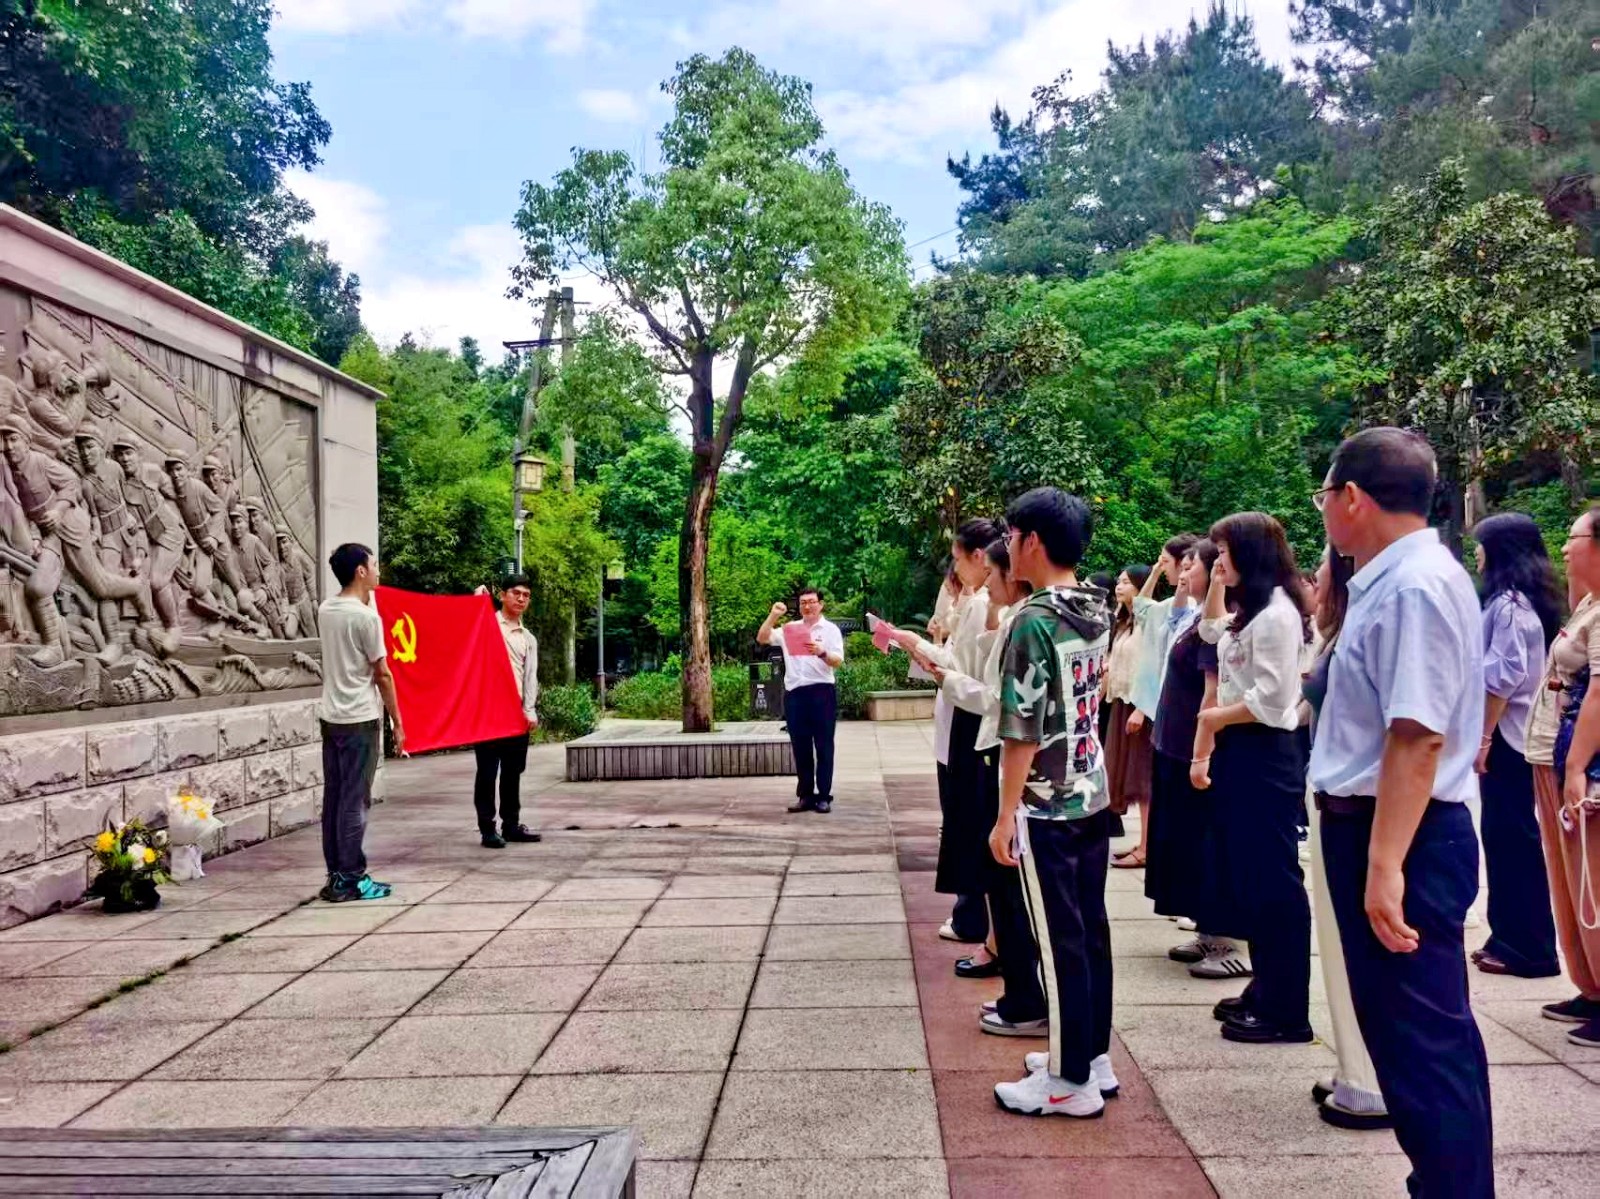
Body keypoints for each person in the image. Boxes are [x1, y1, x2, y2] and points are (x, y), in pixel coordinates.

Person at [1311, 427, 1492, 1198]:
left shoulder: (1414, 585)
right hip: (1392, 828)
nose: (1323, 511)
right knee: (1417, 1039)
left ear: (1352, 497)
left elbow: (1416, 736)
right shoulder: (1397, 577)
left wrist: (1384, 865)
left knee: (1422, 1044)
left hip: (1401, 836)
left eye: (1325, 495)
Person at [989, 487, 1116, 1119]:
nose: (1007, 545)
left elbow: (1022, 728)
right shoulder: (1096, 605)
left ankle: (1069, 1081)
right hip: (1092, 792)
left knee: (1060, 938)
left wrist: (1005, 811)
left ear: (1032, 540)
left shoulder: (1033, 621)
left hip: (1047, 804)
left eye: (1011, 534)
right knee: (1090, 929)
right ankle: (1092, 1055)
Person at [913, 537, 1050, 1034]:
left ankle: (1038, 1013)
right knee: (1024, 901)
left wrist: (1006, 809)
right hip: (1043, 780)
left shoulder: (1032, 622)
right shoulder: (1037, 618)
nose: (986, 584)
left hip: (1028, 778)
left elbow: (1003, 708)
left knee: (1022, 900)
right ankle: (1037, 1009)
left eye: (995, 571)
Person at [1192, 512, 1313, 1045]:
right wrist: (1218, 585)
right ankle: (1264, 988)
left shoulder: (1278, 617)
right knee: (1250, 878)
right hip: (1242, 752)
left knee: (1273, 884)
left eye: (1224, 553)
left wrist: (1217, 717)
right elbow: (1210, 630)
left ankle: (1287, 1008)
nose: (1218, 562)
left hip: (1265, 753)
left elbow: (1274, 700)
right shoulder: (1253, 612)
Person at [1297, 547, 1391, 1130]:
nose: (1317, 577)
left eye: (1326, 567)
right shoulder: (1336, 629)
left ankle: (1370, 1078)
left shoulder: (1366, 620)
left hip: (1362, 803)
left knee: (1356, 945)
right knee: (1336, 945)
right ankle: (1355, 1065)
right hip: (1333, 793)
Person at [893, 521, 1001, 956]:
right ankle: (977, 918)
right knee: (966, 821)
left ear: (979, 557)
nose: (955, 569)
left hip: (973, 726)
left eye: (958, 558)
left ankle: (976, 918)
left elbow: (969, 675)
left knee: (969, 821)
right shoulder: (976, 602)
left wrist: (918, 646)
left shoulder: (985, 604)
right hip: (965, 721)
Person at [1471, 513, 1563, 980]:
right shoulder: (1523, 603)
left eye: (1482, 545)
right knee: (1507, 841)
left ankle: (1527, 947)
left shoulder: (1509, 606)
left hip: (1508, 738)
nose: (1477, 554)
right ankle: (1509, 936)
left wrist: (1483, 738)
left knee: (1512, 842)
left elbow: (1501, 679)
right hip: (1511, 736)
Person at [1522, 504, 1600, 1049]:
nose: (1565, 548)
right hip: (1552, 757)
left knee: (1594, 879)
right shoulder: (1589, 604)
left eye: (1574, 538)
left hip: (1582, 765)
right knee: (1568, 878)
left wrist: (1575, 768)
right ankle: (1591, 987)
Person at [317, 543, 404, 903]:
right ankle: (352, 879)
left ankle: (337, 876)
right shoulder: (367, 619)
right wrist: (398, 722)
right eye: (374, 564)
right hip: (360, 719)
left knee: (335, 799)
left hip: (331, 717)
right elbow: (382, 674)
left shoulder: (326, 609)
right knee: (355, 802)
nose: (378, 570)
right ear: (360, 572)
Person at [1144, 540, 1218, 946]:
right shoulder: (1194, 617)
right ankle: (1205, 928)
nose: (1185, 573)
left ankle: (1218, 934)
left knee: (1199, 841)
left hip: (1192, 746)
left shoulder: (1216, 623)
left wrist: (1200, 753)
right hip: (1171, 742)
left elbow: (1212, 692)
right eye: (1183, 565)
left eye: (1193, 566)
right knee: (1181, 840)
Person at [758, 587, 844, 813]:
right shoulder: (790, 629)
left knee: (824, 745)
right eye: (803, 602)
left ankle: (824, 795)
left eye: (812, 602)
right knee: (801, 746)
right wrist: (774, 615)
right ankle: (806, 795)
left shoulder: (830, 630)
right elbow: (763, 637)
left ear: (820, 604)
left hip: (822, 691)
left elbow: (837, 661)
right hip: (795, 693)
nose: (807, 606)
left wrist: (821, 652)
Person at [472, 574, 541, 849]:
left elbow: (530, 677)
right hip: (488, 712)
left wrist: (530, 710)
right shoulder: (488, 626)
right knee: (487, 773)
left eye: (526, 595)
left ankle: (511, 825)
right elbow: (470, 630)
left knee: (513, 772)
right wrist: (478, 602)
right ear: (502, 595)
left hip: (515, 714)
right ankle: (487, 828)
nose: (521, 599)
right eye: (516, 593)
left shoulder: (528, 638)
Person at [1103, 566, 1153, 867]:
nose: (1119, 586)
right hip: (1121, 702)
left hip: (1139, 706)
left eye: (1126, 582)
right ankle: (1144, 842)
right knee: (1125, 777)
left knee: (1142, 781)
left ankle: (1147, 847)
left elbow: (1151, 666)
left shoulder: (1148, 622)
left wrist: (1141, 709)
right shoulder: (1124, 622)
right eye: (1118, 581)